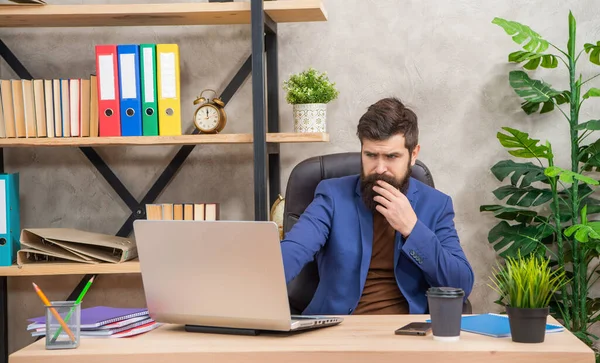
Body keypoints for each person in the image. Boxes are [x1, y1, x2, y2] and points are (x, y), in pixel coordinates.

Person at [280, 97, 474, 316]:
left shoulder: (436, 205)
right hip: (338, 329)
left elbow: (461, 285)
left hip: (405, 333)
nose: (380, 168)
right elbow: (295, 249)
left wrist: (412, 229)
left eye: (392, 157)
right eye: (371, 155)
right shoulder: (332, 195)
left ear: (413, 155)